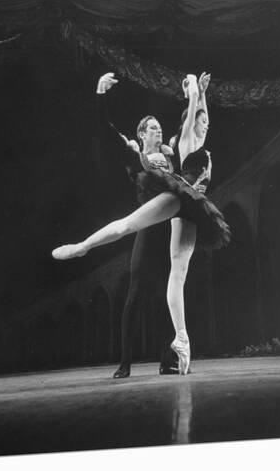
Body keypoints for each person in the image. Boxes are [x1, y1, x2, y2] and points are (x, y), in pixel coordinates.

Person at [53, 72, 230, 375]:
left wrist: (199, 95)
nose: (159, 131)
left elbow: (196, 126)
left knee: (176, 280)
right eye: (153, 128)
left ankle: (175, 352)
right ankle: (83, 247)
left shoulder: (171, 153)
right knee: (132, 264)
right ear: (142, 134)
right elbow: (107, 130)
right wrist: (100, 94)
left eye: (160, 128)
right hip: (152, 219)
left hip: (176, 217)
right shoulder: (135, 153)